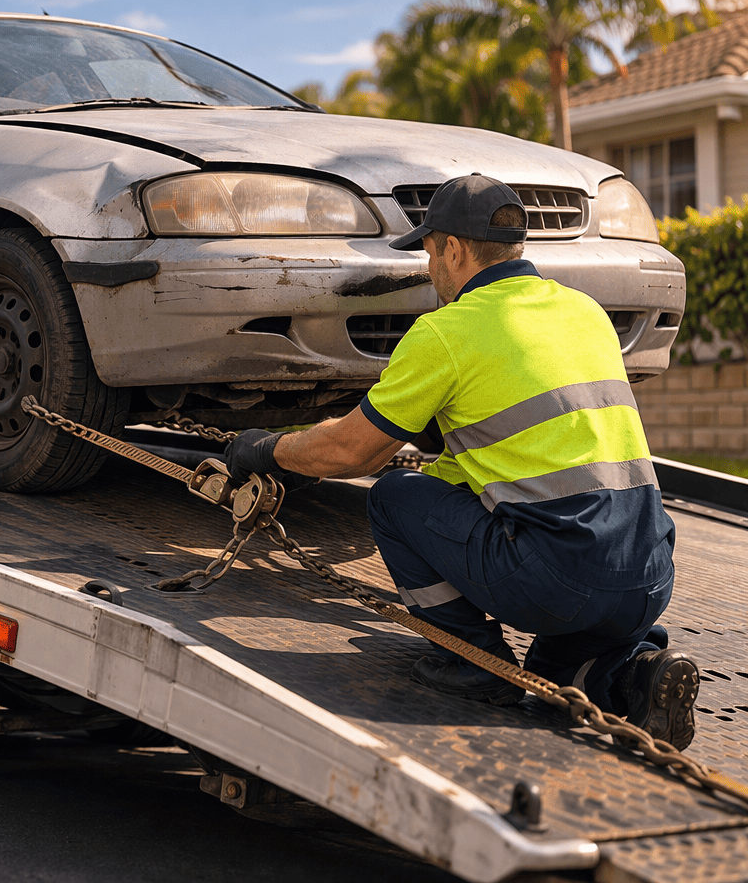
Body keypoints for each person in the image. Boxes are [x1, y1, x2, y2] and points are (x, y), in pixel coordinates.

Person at [223, 174, 699, 751]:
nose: (428, 268)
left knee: (393, 496)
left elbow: (351, 452)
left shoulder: (446, 332)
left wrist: (268, 451)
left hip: (557, 579)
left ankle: (471, 659)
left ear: (453, 248)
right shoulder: (584, 312)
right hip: (647, 571)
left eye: (428, 250)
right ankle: (637, 675)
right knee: (552, 682)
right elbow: (510, 448)